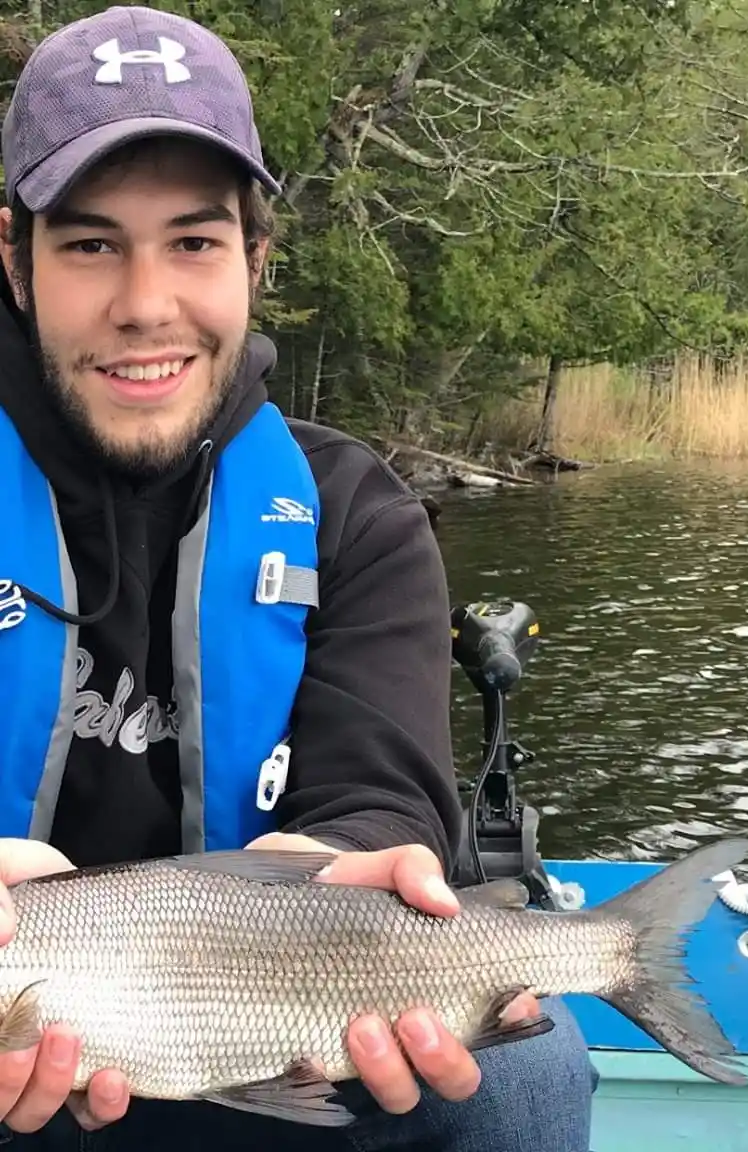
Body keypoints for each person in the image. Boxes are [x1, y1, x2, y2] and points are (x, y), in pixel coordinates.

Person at [0, 5, 596, 1150]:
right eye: (88, 244)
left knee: (526, 1079)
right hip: (31, 1040)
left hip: (279, 1015)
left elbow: (383, 793)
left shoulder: (352, 509)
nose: (144, 303)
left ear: (254, 263)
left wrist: (332, 867)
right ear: (15, 265)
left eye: (193, 241)